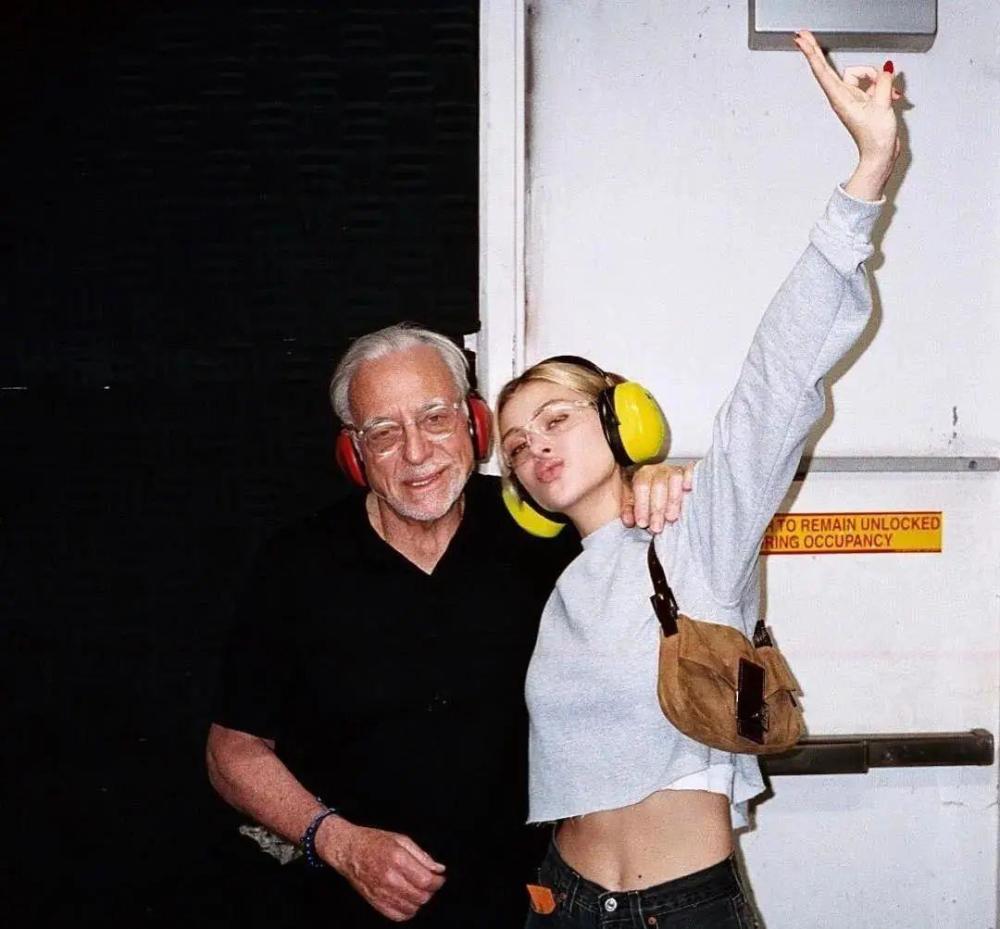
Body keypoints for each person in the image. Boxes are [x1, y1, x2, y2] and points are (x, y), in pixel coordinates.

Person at [495, 31, 902, 929]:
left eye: (556, 418)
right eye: (517, 445)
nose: (535, 447)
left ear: (619, 419)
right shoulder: (547, 584)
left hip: (680, 908)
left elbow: (776, 381)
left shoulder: (697, 533)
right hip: (558, 901)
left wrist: (866, 173)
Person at [206, 324, 692, 926]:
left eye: (435, 419)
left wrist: (651, 480)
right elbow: (232, 751)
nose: (416, 453)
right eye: (384, 432)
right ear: (354, 453)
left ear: (475, 424)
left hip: (528, 907)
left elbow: (628, 518)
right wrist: (337, 842)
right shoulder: (295, 565)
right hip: (344, 906)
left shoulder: (543, 530)